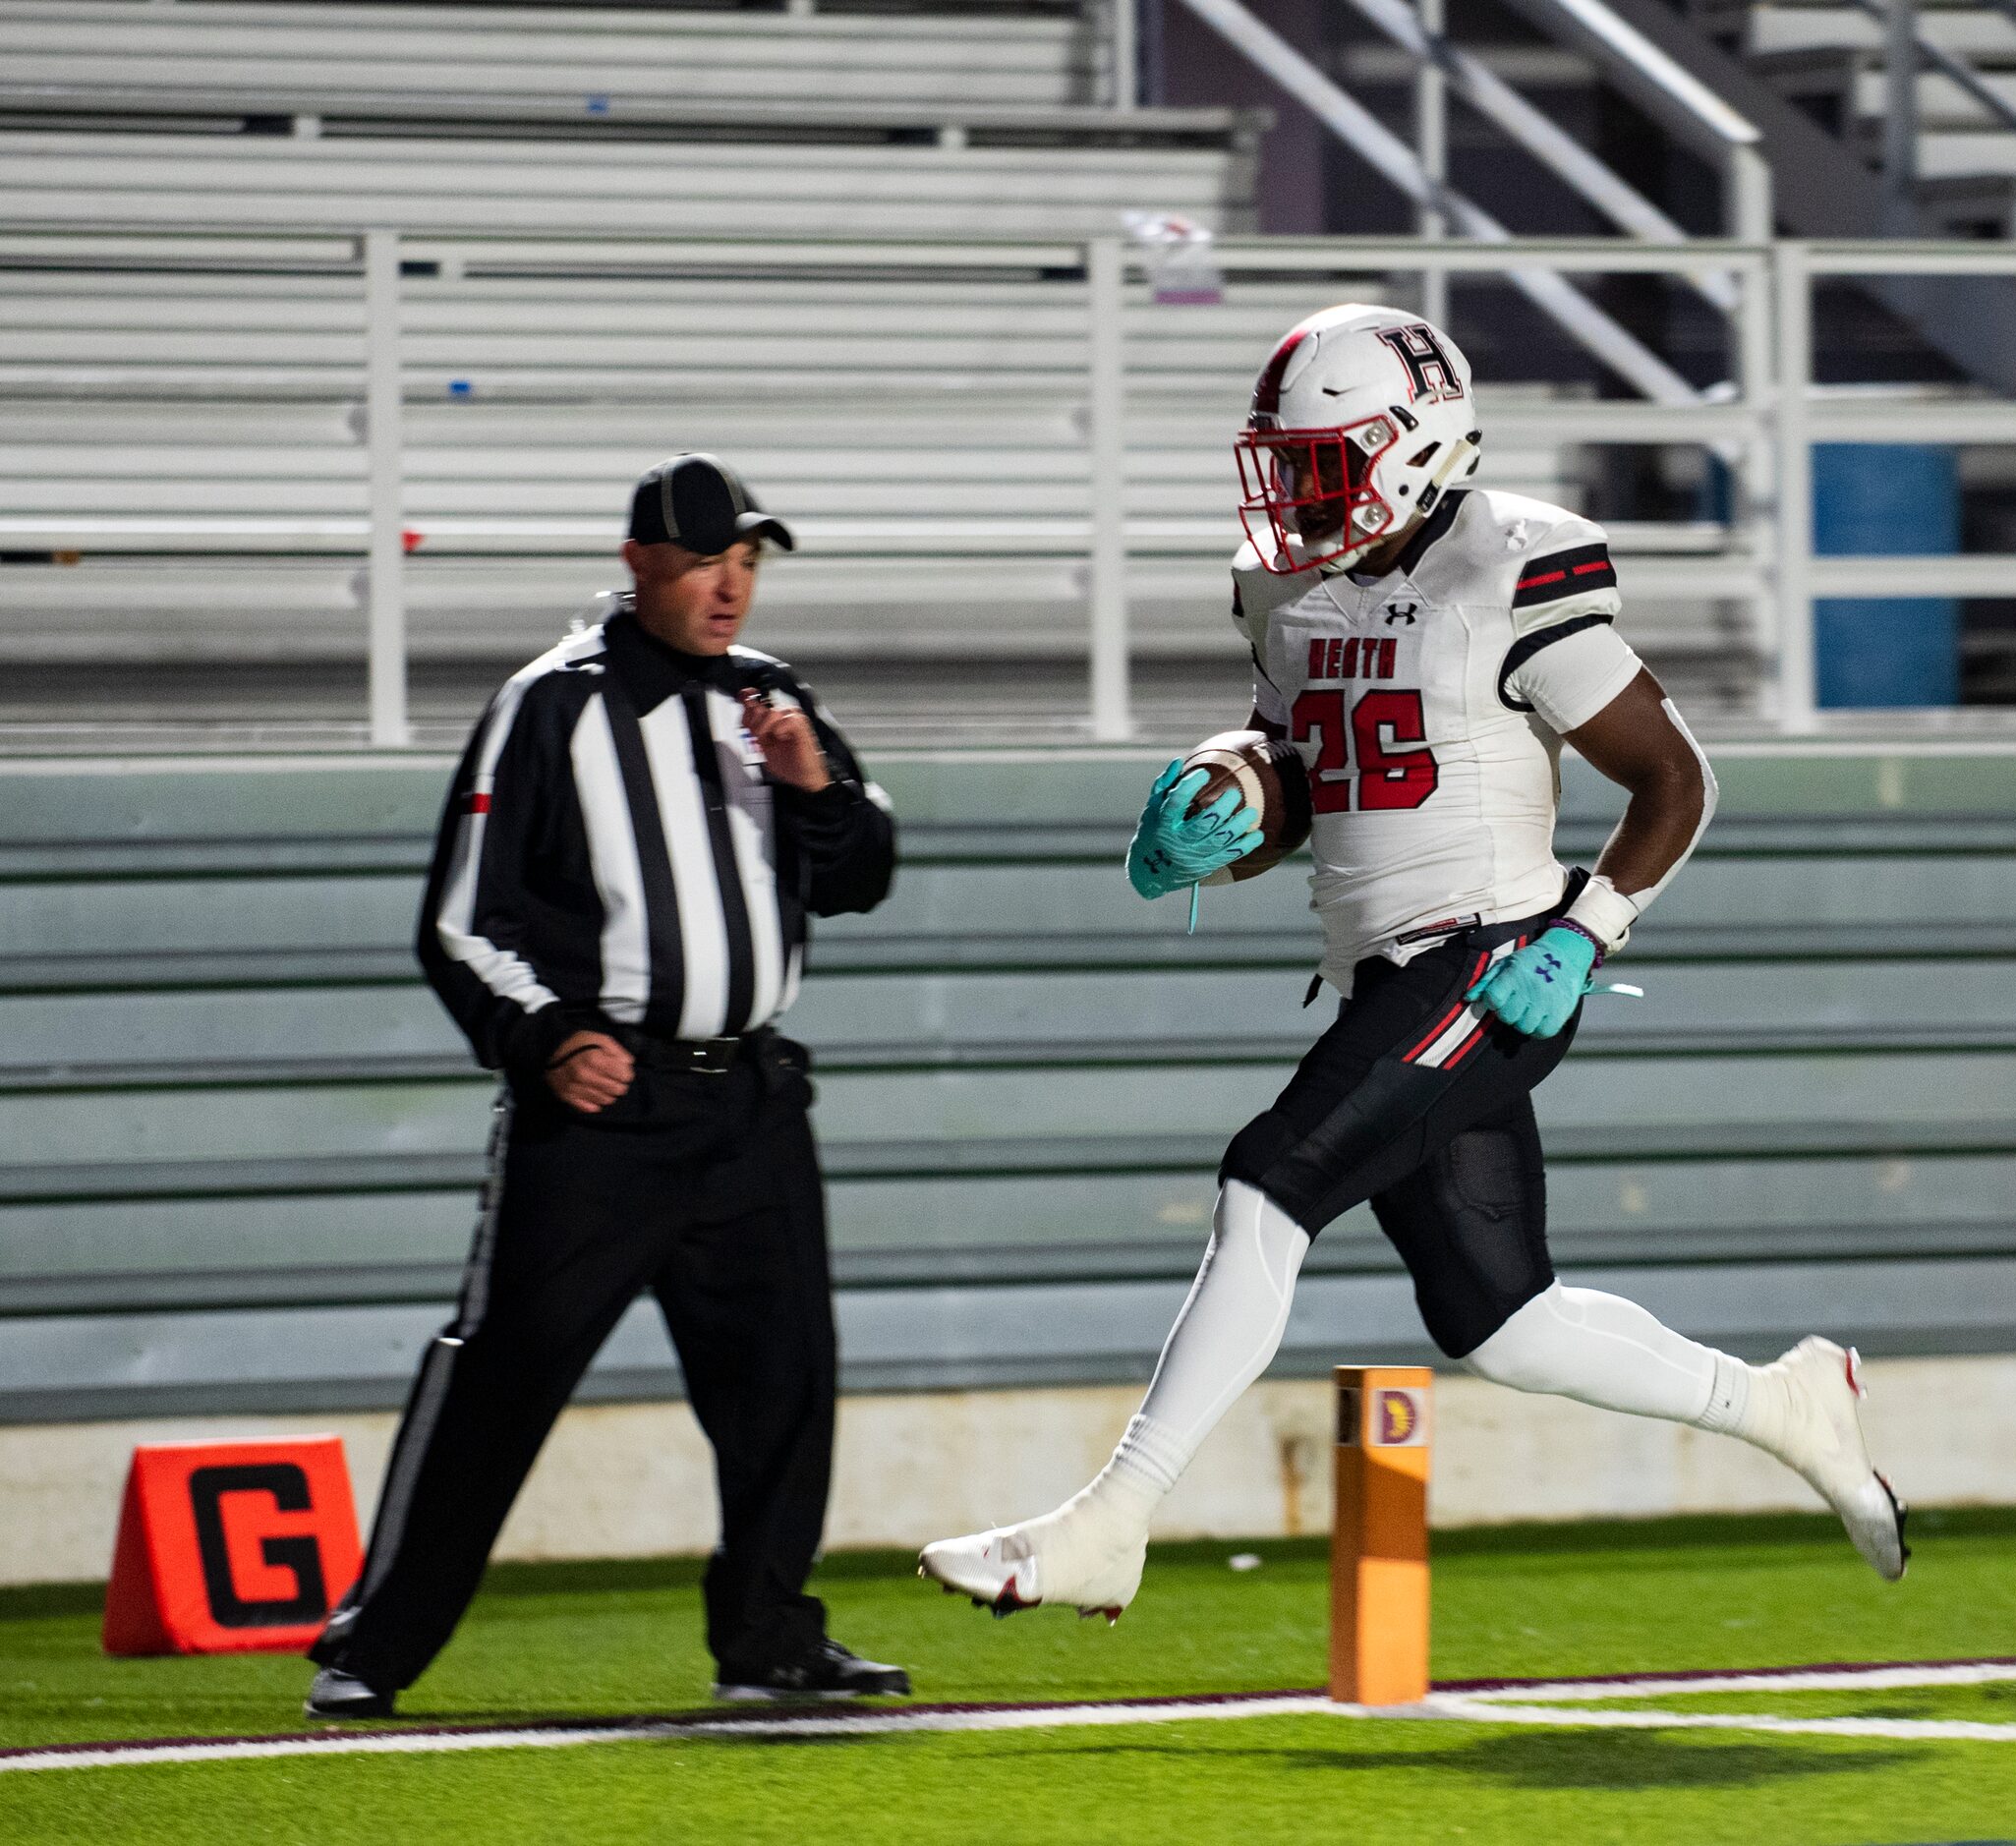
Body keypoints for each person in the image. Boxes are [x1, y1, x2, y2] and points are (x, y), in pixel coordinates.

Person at [918, 307, 1907, 1620]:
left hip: (1495, 959)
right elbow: (1304, 780)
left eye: (1323, 463)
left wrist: (1582, 933)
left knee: (1268, 1183)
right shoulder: (1281, 588)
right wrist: (1220, 816)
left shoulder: (1513, 562)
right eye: (1287, 464)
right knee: (1505, 1320)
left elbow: (1675, 778)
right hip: (1384, 974)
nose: (1297, 493)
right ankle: (1785, 1405)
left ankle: (1112, 1519)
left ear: (1409, 448)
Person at [306, 454, 910, 1717]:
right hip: (604, 1115)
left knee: (786, 1380)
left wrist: (814, 787)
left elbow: (861, 873)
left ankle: (769, 1642)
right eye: (706, 562)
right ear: (640, 565)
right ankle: (374, 1645)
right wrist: (549, 1039)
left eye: (748, 561)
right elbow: (464, 922)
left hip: (747, 1102)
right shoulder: (548, 705)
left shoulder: (773, 696)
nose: (732, 586)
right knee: (501, 1374)